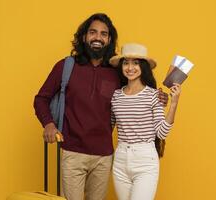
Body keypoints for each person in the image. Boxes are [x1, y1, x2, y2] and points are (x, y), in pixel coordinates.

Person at [34, 13, 168, 200]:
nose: (98, 37)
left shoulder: (117, 71)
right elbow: (41, 98)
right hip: (73, 153)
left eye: (104, 34)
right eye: (93, 32)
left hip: (104, 157)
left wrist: (158, 96)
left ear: (109, 39)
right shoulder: (66, 66)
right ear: (84, 36)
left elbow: (136, 88)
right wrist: (48, 123)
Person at [110, 43, 181, 200]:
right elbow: (107, 126)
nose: (130, 67)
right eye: (126, 63)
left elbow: (162, 132)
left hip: (145, 161)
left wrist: (174, 103)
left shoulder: (153, 95)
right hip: (120, 159)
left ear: (143, 67)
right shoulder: (116, 96)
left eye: (136, 63)